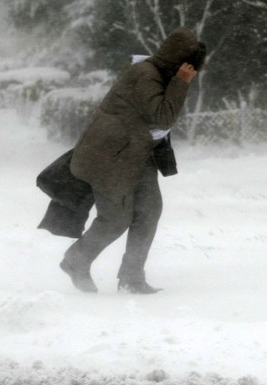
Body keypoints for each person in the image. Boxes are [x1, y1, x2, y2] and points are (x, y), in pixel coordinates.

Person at [60, 27, 205, 294]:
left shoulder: (158, 74)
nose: (191, 73)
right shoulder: (146, 76)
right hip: (108, 157)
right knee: (115, 219)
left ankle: (131, 277)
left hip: (136, 155)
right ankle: (75, 261)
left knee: (149, 211)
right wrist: (181, 83)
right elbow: (163, 116)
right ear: (178, 61)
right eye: (189, 67)